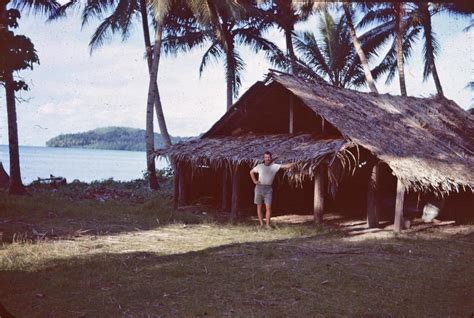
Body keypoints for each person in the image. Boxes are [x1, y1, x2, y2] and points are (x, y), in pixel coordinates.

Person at [249, 151, 293, 228]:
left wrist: (294, 164)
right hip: (259, 188)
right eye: (266, 157)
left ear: (271, 158)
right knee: (259, 206)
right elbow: (251, 172)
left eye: (268, 157)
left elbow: (285, 166)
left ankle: (267, 224)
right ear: (264, 158)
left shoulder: (274, 166)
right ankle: (261, 224)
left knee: (268, 207)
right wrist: (255, 181)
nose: (267, 159)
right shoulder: (260, 166)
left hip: (268, 188)